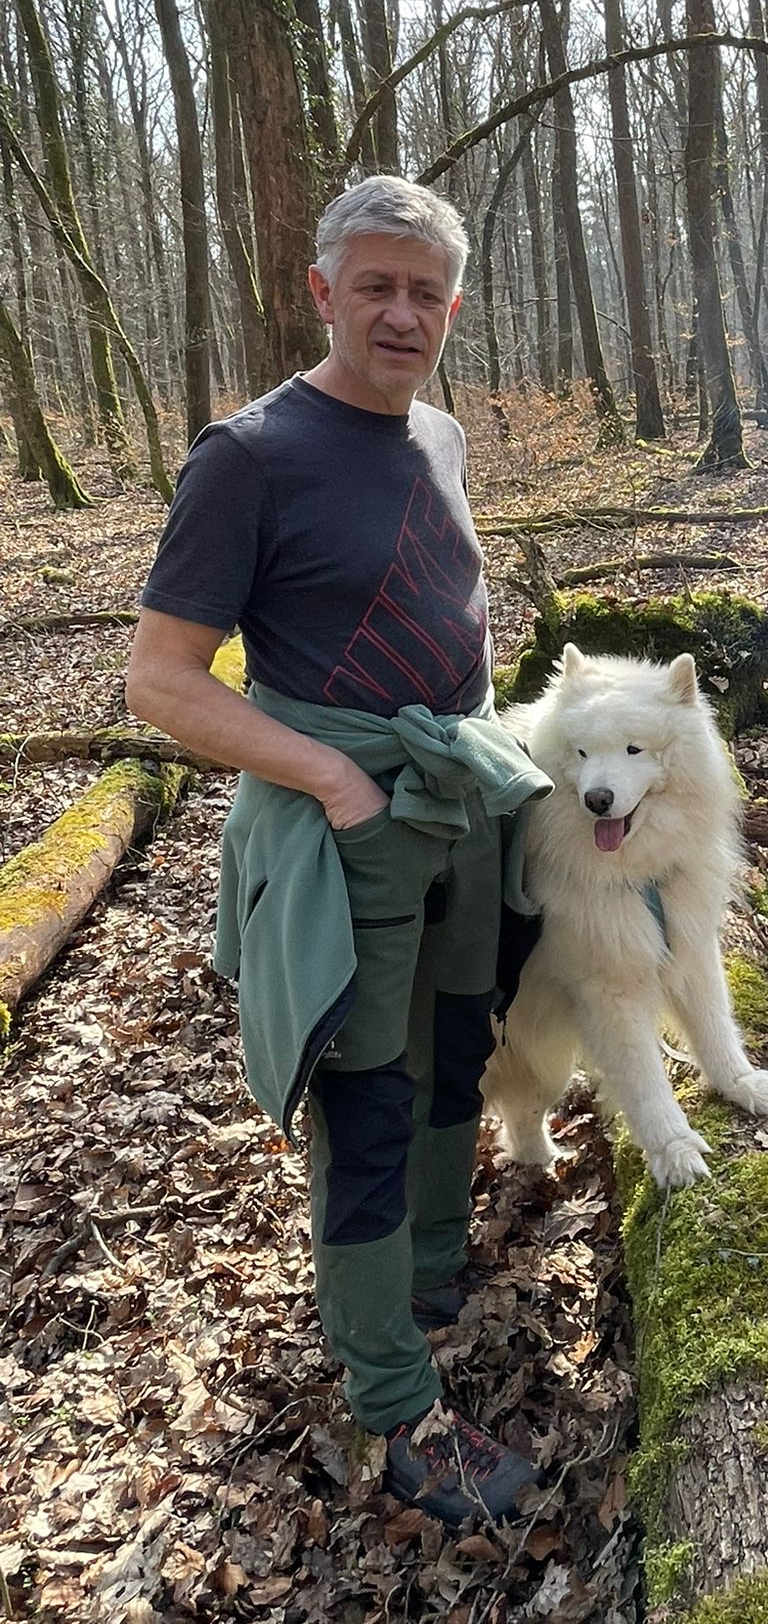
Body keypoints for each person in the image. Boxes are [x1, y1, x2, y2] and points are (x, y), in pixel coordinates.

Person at [127, 175, 551, 1526]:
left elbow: (451, 603)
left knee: (457, 1046)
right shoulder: (249, 457)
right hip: (346, 826)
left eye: (426, 291)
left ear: (453, 307)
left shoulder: (443, 437)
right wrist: (332, 781)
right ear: (322, 292)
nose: (401, 313)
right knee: (366, 1102)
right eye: (375, 286)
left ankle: (426, 1269)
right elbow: (161, 680)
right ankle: (394, 1400)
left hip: (459, 808)